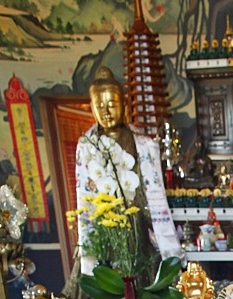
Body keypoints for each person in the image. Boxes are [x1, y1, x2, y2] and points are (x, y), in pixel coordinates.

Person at [75, 67, 183, 278]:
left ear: (124, 106)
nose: (106, 112)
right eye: (100, 106)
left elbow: (155, 195)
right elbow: (83, 200)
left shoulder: (143, 144)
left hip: (136, 229)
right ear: (92, 108)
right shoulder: (87, 146)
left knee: (145, 282)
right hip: (104, 231)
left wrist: (169, 248)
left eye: (112, 105)